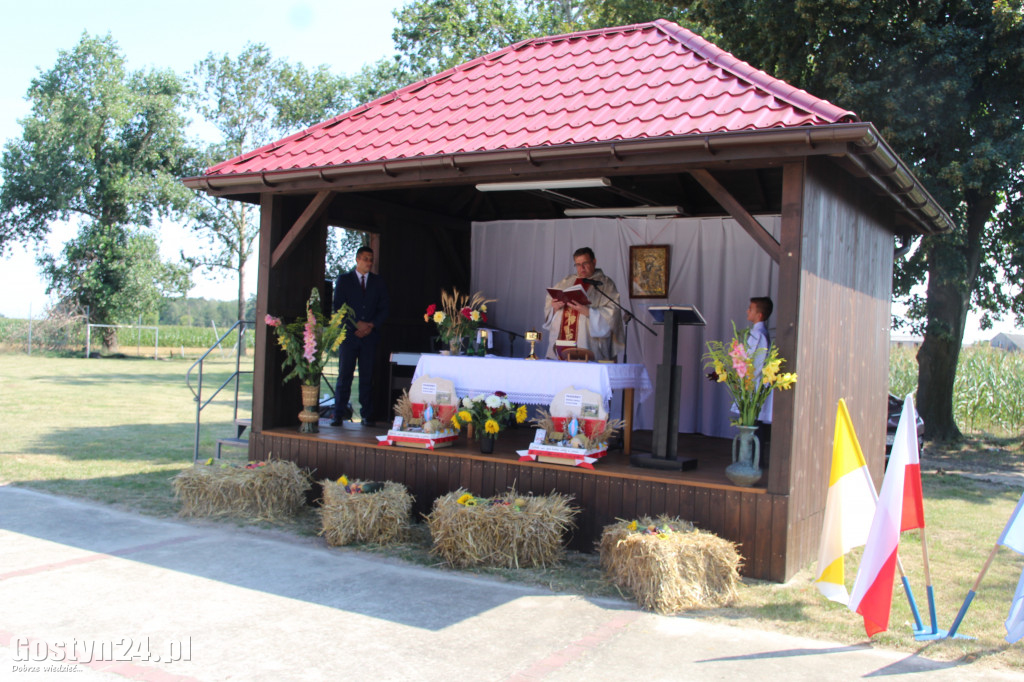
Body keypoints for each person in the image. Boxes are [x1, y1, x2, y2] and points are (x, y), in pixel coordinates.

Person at [331, 246, 389, 427]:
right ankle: (338, 414)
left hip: (369, 337)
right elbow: (338, 306)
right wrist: (356, 325)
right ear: (357, 259)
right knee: (344, 375)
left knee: (367, 376)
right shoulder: (344, 280)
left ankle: (367, 415)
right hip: (349, 336)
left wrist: (371, 325)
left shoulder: (378, 282)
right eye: (365, 259)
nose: (369, 262)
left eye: (371, 259)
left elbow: (384, 308)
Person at [542, 247, 624, 362]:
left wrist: (589, 312)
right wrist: (554, 309)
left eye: (585, 263)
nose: (582, 268)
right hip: (562, 341)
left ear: (594, 262)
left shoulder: (605, 284)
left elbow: (613, 313)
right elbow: (550, 304)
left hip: (588, 344)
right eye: (578, 264)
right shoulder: (566, 282)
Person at [744, 296, 773, 466]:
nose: (747, 311)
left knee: (754, 423)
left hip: (753, 383)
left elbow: (753, 361)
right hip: (753, 381)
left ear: (759, 315)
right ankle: (755, 460)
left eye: (751, 309)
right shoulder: (759, 332)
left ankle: (754, 461)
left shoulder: (758, 333)